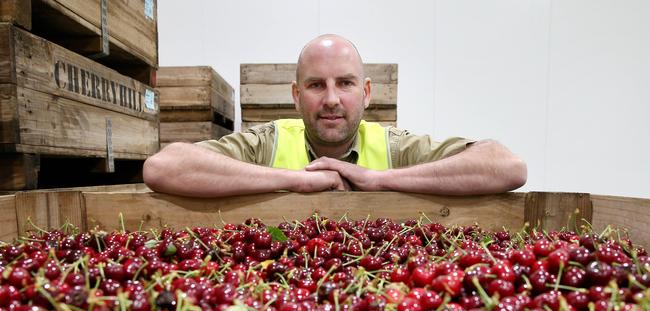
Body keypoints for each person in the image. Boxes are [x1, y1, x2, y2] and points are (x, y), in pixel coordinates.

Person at [144, 34, 527, 198]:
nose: (331, 99)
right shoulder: (267, 143)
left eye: (345, 83)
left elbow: (507, 166)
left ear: (366, 92)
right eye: (315, 85)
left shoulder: (395, 148)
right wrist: (294, 181)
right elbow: (163, 167)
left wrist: (379, 180)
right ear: (296, 96)